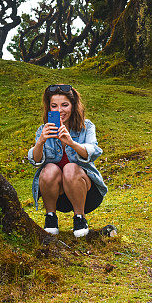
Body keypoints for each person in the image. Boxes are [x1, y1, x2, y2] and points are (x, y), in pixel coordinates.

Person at [27, 84, 107, 237]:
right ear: (49, 108)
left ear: (73, 105)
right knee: (49, 168)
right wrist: (41, 141)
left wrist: (71, 143)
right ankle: (50, 217)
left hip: (87, 194)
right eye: (54, 106)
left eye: (64, 105)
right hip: (58, 196)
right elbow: (35, 161)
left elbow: (94, 151)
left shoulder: (86, 127)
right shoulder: (43, 130)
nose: (59, 110)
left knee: (70, 168)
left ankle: (80, 218)